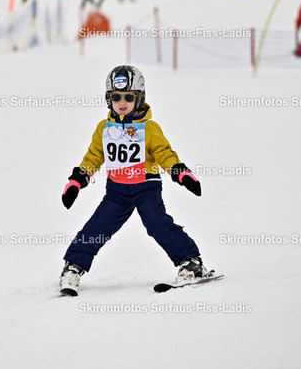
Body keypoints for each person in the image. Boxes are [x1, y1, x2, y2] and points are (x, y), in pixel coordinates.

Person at [58, 65, 213, 295]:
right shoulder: (104, 128)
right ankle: (73, 267)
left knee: (157, 224)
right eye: (116, 97)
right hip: (117, 192)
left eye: (129, 97)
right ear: (108, 99)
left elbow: (163, 153)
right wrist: (77, 181)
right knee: (98, 226)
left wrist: (180, 172)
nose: (122, 103)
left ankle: (191, 263)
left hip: (146, 188)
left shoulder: (148, 128)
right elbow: (94, 156)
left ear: (139, 98)